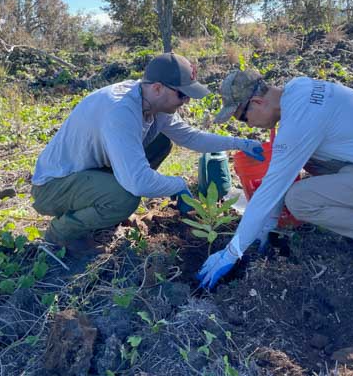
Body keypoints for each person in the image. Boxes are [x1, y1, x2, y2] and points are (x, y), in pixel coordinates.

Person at [197, 69, 353, 289]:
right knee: (310, 159)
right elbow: (281, 174)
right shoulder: (299, 89)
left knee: (301, 201)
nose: (248, 125)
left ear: (258, 102)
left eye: (242, 118)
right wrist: (267, 227)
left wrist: (232, 252)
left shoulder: (299, 123)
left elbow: (271, 189)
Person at [31, 53, 264, 256]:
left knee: (161, 142)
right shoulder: (120, 111)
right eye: (182, 95)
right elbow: (138, 182)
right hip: (54, 186)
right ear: (158, 88)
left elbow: (189, 137)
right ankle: (62, 232)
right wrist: (177, 185)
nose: (186, 101)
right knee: (126, 197)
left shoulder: (153, 103)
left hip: (87, 174)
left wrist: (240, 143)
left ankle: (105, 208)